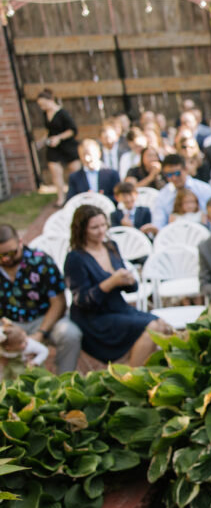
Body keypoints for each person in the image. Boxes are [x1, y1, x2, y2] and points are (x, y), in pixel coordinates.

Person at [63, 205, 172, 367]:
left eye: (103, 225)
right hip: (95, 318)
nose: (101, 231)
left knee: (163, 325)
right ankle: (132, 376)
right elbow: (83, 301)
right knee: (151, 328)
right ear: (82, 230)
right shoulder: (75, 258)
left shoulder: (111, 246)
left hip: (118, 308)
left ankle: (133, 368)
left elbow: (131, 289)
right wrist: (111, 282)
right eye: (94, 228)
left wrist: (129, 280)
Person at [0, 224, 82, 374]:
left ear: (20, 242)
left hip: (43, 318)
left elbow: (58, 303)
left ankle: (64, 380)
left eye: (11, 253)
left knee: (70, 335)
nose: (6, 258)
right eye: (0, 255)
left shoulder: (40, 261)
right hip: (8, 323)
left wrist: (40, 333)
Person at [36, 89, 80, 205]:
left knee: (76, 171)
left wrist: (59, 138)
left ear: (50, 100)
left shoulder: (62, 113)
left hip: (67, 145)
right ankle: (61, 198)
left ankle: (79, 195)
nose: (42, 107)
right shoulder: (45, 114)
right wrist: (43, 140)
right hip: (53, 147)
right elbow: (49, 130)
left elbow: (73, 130)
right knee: (55, 172)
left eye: (43, 104)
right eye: (40, 105)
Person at [152, 154, 211, 229]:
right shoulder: (162, 195)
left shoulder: (204, 189)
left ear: (185, 169)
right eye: (169, 175)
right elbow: (159, 223)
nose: (174, 178)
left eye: (177, 173)